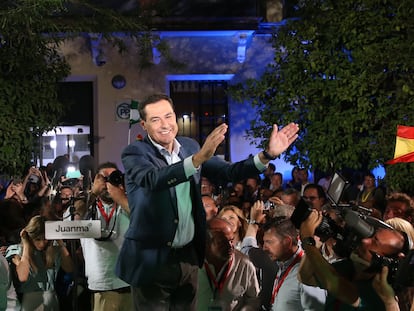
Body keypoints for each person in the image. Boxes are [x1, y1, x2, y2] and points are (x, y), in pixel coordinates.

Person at [115, 93, 299, 310]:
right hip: (152, 261)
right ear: (144, 125)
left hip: (188, 258)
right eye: (156, 120)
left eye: (169, 116)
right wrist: (197, 160)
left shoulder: (189, 146)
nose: (165, 124)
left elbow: (229, 172)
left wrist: (267, 154)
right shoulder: (135, 152)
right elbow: (153, 179)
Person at [298, 208, 407, 311]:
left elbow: (333, 283)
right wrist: (317, 241)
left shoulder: (380, 290)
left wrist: (308, 240)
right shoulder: (349, 266)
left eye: (375, 243)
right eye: (371, 236)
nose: (365, 241)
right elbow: (306, 277)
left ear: (386, 260)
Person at [81, 162, 132, 311]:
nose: (108, 182)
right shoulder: (86, 205)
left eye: (114, 178)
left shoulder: (128, 203)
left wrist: (120, 196)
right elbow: (74, 220)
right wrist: (93, 193)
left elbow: (143, 221)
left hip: (130, 283)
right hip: (102, 285)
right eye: (104, 178)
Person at [5, 215, 73, 311]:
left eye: (45, 239)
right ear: (30, 236)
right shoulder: (17, 250)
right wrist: (26, 244)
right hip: (28, 301)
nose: (42, 243)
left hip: (51, 298)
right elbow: (22, 276)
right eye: (38, 239)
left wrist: (60, 242)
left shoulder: (53, 250)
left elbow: (69, 268)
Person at [197, 217, 260, 310]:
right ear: (206, 243)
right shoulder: (190, 263)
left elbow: (254, 299)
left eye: (231, 240)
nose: (230, 246)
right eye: (222, 242)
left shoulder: (244, 264)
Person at [262, 218, 326, 310]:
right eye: (264, 242)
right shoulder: (283, 264)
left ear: (288, 242)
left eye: (269, 242)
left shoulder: (308, 270)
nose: (264, 248)